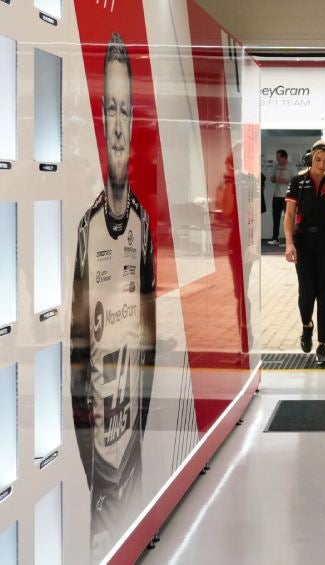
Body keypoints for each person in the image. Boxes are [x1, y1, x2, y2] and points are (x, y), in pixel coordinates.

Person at [70, 32, 156, 558]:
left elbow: (150, 333)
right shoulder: (87, 229)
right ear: (102, 120)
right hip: (100, 449)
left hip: (132, 446)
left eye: (126, 110)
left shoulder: (142, 226)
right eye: (112, 110)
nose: (119, 124)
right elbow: (77, 354)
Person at [285, 141, 325, 365]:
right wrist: (289, 243)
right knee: (306, 293)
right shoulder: (297, 182)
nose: (321, 165)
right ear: (310, 159)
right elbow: (289, 216)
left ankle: (322, 345)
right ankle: (307, 326)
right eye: (318, 160)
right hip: (303, 243)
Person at [266, 149, 295, 245]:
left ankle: (289, 240)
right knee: (276, 218)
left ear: (284, 157)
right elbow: (273, 178)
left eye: (278, 158)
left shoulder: (291, 167)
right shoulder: (276, 166)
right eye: (277, 158)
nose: (277, 159)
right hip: (276, 196)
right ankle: (275, 238)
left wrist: (285, 181)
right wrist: (273, 179)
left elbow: (296, 181)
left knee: (288, 219)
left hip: (288, 196)